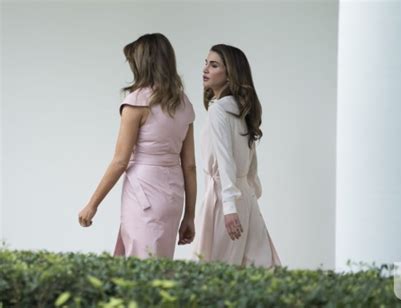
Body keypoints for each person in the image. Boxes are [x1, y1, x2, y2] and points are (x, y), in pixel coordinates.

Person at [78, 33, 197, 259]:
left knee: (140, 269)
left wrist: (92, 204)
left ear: (143, 63)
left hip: (144, 192)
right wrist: (189, 216)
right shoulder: (183, 103)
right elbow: (189, 165)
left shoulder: (136, 102)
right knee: (160, 268)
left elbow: (120, 160)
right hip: (173, 196)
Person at [193, 44, 281, 267]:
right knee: (258, 265)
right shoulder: (242, 108)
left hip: (225, 198)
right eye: (206, 63)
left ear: (230, 73)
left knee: (217, 269)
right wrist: (250, 193)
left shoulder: (219, 109)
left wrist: (230, 207)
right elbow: (250, 163)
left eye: (214, 65)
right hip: (245, 197)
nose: (205, 69)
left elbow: (225, 160)